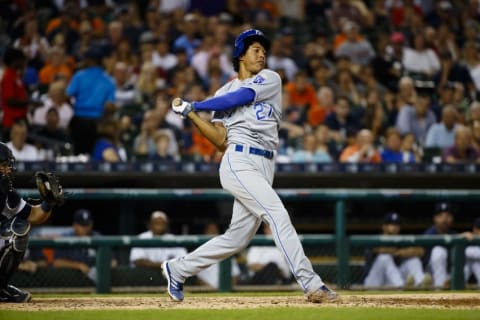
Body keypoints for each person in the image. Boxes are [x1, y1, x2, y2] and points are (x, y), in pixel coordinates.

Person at [161, 29, 338, 303]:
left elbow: (239, 98)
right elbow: (220, 139)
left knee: (236, 239)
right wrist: (193, 115)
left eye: (264, 50)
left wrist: (195, 104)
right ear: (240, 54)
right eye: (255, 49)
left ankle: (177, 269)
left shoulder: (269, 78)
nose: (262, 54)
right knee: (277, 215)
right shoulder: (223, 90)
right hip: (238, 160)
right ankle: (311, 284)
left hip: (265, 164)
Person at [0, 142, 58, 302]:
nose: (7, 170)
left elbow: (34, 215)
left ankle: (1, 289)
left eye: (7, 165)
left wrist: (48, 202)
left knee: (17, 231)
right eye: (3, 165)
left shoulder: (6, 194)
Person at [363, 213, 432, 288]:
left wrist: (399, 252)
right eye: (391, 224)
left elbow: (420, 251)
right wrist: (399, 252)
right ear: (384, 226)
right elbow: (379, 249)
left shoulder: (399, 240)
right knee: (384, 258)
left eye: (397, 224)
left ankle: (421, 283)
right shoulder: (376, 239)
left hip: (391, 281)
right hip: (374, 282)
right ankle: (401, 287)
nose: (394, 227)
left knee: (413, 260)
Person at [52, 209, 113, 282]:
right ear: (75, 225)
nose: (86, 228)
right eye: (82, 225)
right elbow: (57, 262)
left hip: (96, 282)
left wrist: (102, 267)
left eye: (87, 225)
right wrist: (78, 265)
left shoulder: (98, 238)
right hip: (69, 282)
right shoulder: (65, 239)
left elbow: (113, 261)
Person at [196, 222, 241, 289]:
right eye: (210, 231)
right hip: (205, 291)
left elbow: (235, 275)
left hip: (225, 291)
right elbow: (198, 279)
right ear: (205, 233)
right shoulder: (198, 253)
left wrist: (225, 289)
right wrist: (210, 290)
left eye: (214, 231)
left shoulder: (227, 251)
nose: (212, 233)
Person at [424, 202, 457, 288]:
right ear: (434, 218)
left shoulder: (454, 234)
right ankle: (440, 289)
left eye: (448, 216)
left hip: (449, 272)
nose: (444, 219)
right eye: (440, 216)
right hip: (430, 273)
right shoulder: (428, 234)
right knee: (438, 251)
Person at [462, 217, 480, 287]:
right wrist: (460, 236)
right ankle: (459, 283)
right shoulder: (468, 243)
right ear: (475, 229)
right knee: (469, 252)